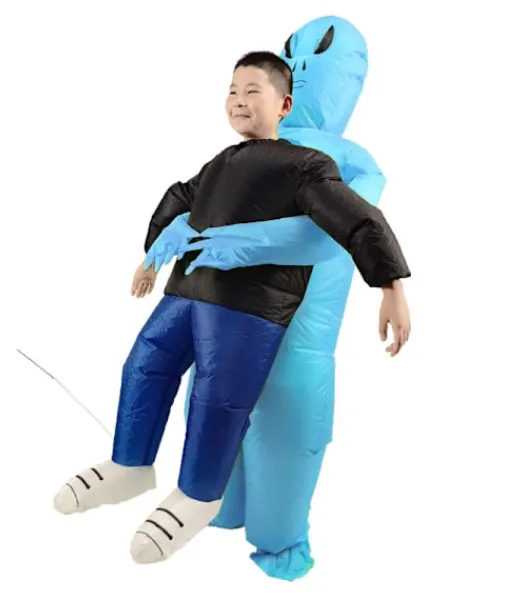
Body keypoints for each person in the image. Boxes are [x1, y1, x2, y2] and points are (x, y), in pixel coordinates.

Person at [53, 50, 411, 566]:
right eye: (232, 91)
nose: (239, 101)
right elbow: (182, 197)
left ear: (285, 104)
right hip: (188, 290)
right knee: (143, 366)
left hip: (248, 307)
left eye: (252, 92)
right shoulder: (222, 161)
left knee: (217, 398)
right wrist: (152, 257)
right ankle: (128, 465)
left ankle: (198, 496)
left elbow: (355, 218)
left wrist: (390, 284)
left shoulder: (308, 165)